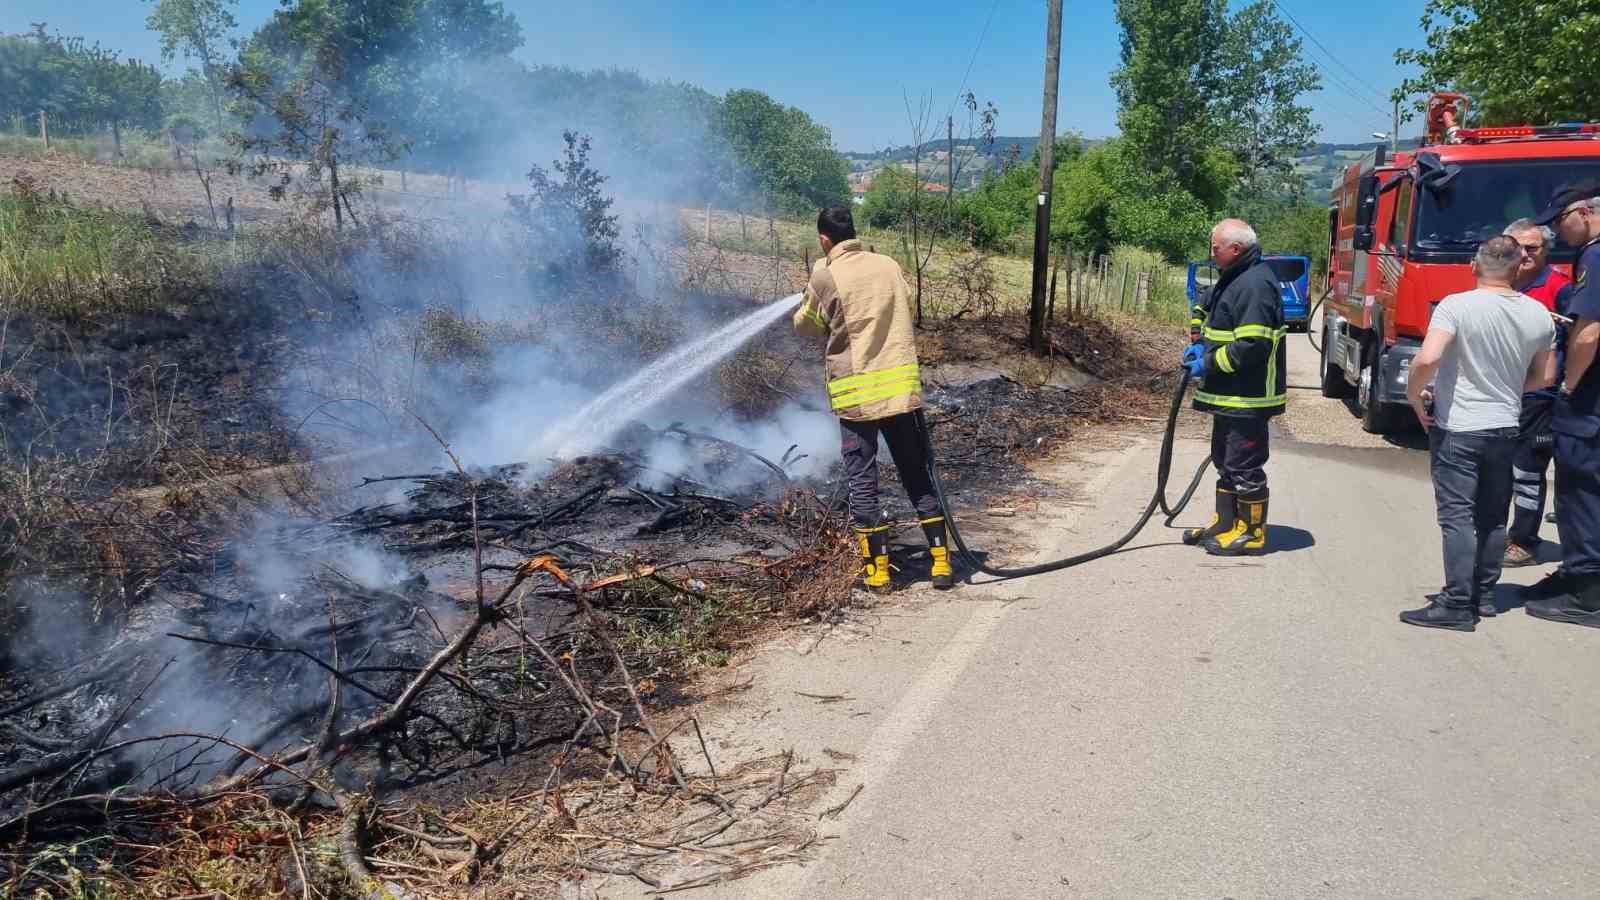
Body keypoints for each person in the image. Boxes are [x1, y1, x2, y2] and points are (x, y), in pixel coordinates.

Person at [1400, 235, 1555, 631]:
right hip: (1506, 425)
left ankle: (1455, 603)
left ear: (1475, 264)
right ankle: (1483, 596)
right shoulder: (1539, 313)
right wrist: (1506, 389)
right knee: (1492, 516)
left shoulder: (1456, 306)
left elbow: (1429, 357)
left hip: (1460, 427)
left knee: (1457, 516)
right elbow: (1545, 376)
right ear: (1519, 266)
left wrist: (1415, 395)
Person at [792, 206, 951, 591]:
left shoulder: (825, 275)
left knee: (863, 480)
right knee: (917, 472)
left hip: (859, 398)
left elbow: (807, 327)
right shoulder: (889, 264)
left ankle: (877, 572)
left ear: (824, 240)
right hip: (900, 393)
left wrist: (810, 291)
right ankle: (942, 564)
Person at [1181, 219, 1287, 556]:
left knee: (1244, 465)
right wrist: (1200, 343)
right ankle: (1226, 523)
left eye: (1216, 248)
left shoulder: (1255, 284)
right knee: (1225, 461)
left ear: (1236, 249)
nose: (1212, 254)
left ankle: (1252, 532)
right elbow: (1211, 310)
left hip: (1248, 396)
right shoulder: (1236, 277)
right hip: (1229, 394)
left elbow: (1253, 345)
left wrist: (1207, 363)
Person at [1525, 181, 1600, 626]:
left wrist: (1569, 385)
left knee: (1580, 493)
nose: (1557, 230)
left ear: (1584, 212)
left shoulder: (1594, 255)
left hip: (1589, 401)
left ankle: (1587, 592)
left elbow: (1589, 332)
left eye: (1559, 220)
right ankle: (1578, 574)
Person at [1502, 219, 1572, 567]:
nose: (1525, 254)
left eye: (1534, 248)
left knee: (1527, 471)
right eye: (1519, 247)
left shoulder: (1561, 287)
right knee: (1497, 469)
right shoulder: (1499, 283)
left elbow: (1580, 339)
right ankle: (1499, 533)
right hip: (1500, 394)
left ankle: (1524, 540)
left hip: (1540, 398)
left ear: (1546, 252)